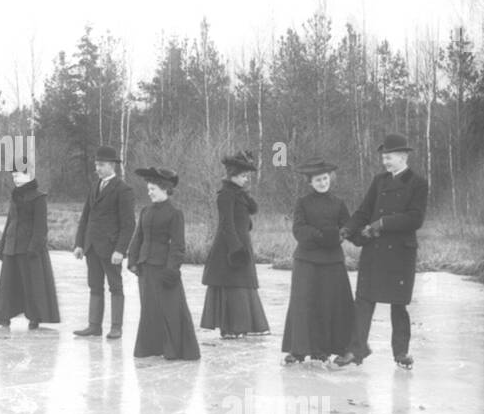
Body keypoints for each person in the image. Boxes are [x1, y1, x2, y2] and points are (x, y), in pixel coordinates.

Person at [333, 134, 429, 370]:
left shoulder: (418, 183)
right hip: (375, 251)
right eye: (384, 158)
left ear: (403, 156)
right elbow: (364, 211)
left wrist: (383, 223)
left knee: (399, 306)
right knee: (364, 301)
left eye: (389, 158)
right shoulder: (379, 181)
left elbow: (415, 219)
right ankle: (355, 351)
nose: (385, 162)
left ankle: (401, 353)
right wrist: (347, 229)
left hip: (400, 254)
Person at [281, 159, 354, 364]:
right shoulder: (302, 202)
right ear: (310, 183)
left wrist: (339, 236)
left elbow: (347, 227)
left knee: (331, 305)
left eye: (325, 179)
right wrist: (322, 237)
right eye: (318, 180)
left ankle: (328, 349)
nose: (323, 183)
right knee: (303, 304)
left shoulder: (339, 203)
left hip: (333, 262)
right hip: (307, 260)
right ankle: (299, 350)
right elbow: (299, 229)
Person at [126, 167, 200, 361]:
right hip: (145, 267)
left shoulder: (175, 213)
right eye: (148, 189)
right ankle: (151, 347)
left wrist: (171, 269)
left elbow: (178, 245)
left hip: (164, 269)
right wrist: (132, 260)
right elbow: (138, 237)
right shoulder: (145, 211)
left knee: (170, 309)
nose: (149, 192)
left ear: (165, 189)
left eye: (152, 189)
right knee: (149, 309)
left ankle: (173, 349)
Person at [199, 150, 270, 338]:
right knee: (233, 286)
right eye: (244, 176)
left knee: (243, 285)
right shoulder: (225, 195)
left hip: (241, 244)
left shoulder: (238, 193)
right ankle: (230, 327)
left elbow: (249, 214)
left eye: (247, 176)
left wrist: (245, 198)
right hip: (229, 248)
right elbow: (226, 225)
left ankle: (244, 325)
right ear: (233, 176)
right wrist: (235, 249)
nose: (247, 179)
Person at [0, 160, 60, 330]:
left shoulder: (39, 197)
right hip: (11, 246)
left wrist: (34, 247)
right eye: (14, 176)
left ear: (29, 175)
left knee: (31, 284)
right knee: (7, 284)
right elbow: (10, 221)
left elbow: (41, 227)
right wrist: (3, 244)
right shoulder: (15, 195)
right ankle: (2, 317)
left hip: (29, 248)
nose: (16, 179)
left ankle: (34, 318)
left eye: (19, 175)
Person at [73, 145, 136, 339]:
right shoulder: (94, 186)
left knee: (115, 287)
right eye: (96, 165)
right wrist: (79, 243)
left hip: (111, 249)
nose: (97, 169)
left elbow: (128, 224)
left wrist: (120, 250)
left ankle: (116, 327)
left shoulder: (123, 189)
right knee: (95, 286)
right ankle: (94, 326)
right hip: (91, 247)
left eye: (100, 165)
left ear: (111, 166)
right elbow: (85, 217)